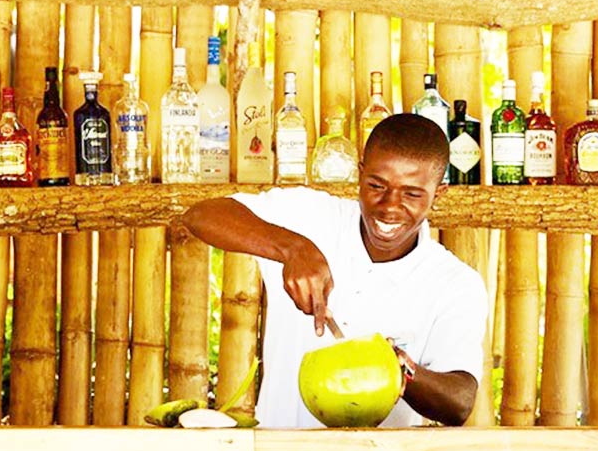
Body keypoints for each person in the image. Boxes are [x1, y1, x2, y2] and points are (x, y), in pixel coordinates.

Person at [182, 113, 487, 428]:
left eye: (412, 194)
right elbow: (200, 215)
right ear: (360, 174)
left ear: (439, 193)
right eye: (376, 186)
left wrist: (399, 369)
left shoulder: (455, 283)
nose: (389, 206)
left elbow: (459, 402)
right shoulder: (311, 216)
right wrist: (292, 248)